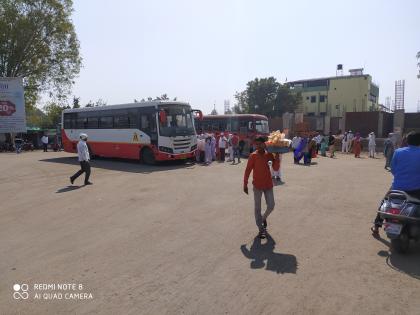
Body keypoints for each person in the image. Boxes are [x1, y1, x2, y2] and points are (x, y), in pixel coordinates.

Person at [371, 131, 420, 235]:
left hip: (397, 187)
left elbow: (393, 169)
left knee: (385, 201)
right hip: (416, 190)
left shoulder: (398, 152)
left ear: (407, 141)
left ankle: (376, 226)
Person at [244, 137, 279, 239]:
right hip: (257, 186)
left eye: (260, 144)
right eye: (257, 144)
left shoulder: (269, 155)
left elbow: (276, 168)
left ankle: (263, 218)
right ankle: (261, 229)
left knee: (271, 205)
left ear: (265, 144)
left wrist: (276, 157)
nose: (258, 146)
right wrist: (245, 184)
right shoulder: (253, 156)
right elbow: (248, 170)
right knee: (257, 208)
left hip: (268, 185)